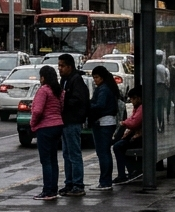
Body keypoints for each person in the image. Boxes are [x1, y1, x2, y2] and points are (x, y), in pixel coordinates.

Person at [30, 65, 65, 201]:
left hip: (45, 127)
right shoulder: (58, 91)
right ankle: (53, 189)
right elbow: (61, 108)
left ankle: (47, 191)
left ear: (43, 77)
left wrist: (33, 124)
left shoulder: (43, 90)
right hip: (57, 125)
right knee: (53, 159)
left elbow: (37, 110)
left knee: (45, 161)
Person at [57, 54, 89, 196]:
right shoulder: (64, 80)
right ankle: (69, 183)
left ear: (69, 66)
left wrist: (65, 105)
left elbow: (79, 100)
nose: (60, 69)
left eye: (62, 66)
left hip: (73, 121)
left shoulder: (76, 80)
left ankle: (78, 184)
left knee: (74, 154)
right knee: (66, 154)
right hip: (64, 121)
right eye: (59, 66)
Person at [87, 65, 120, 191]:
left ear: (102, 77)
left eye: (96, 77)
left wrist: (89, 105)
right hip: (108, 123)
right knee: (105, 153)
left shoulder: (103, 89)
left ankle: (105, 182)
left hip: (102, 123)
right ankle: (105, 181)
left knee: (103, 153)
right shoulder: (108, 88)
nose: (95, 80)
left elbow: (100, 105)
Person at [113, 87, 144, 185]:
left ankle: (127, 172)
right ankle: (132, 170)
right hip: (138, 135)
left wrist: (123, 123)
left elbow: (134, 122)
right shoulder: (138, 108)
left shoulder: (142, 108)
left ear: (138, 98)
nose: (131, 101)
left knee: (118, 147)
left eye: (132, 99)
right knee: (120, 145)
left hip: (141, 138)